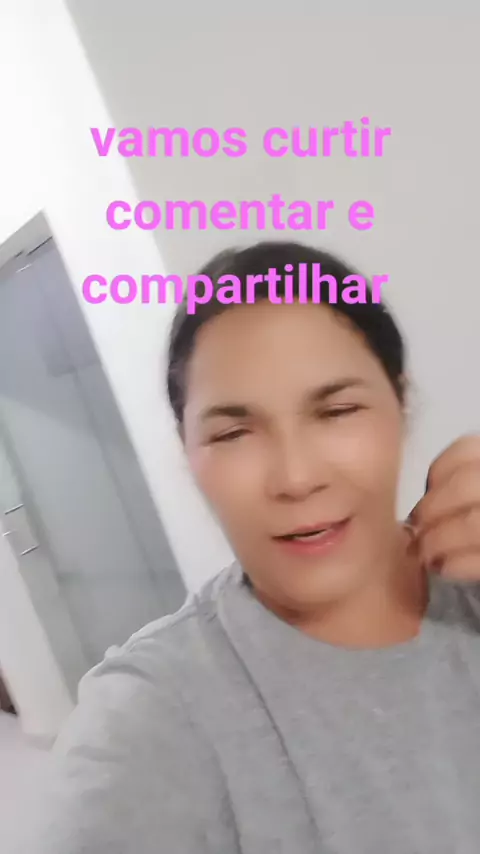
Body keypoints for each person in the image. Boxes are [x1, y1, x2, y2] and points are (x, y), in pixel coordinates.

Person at [27, 241, 480, 854]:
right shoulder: (153, 716)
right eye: (234, 433)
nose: (296, 477)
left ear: (401, 406)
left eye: (337, 410)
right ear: (187, 452)